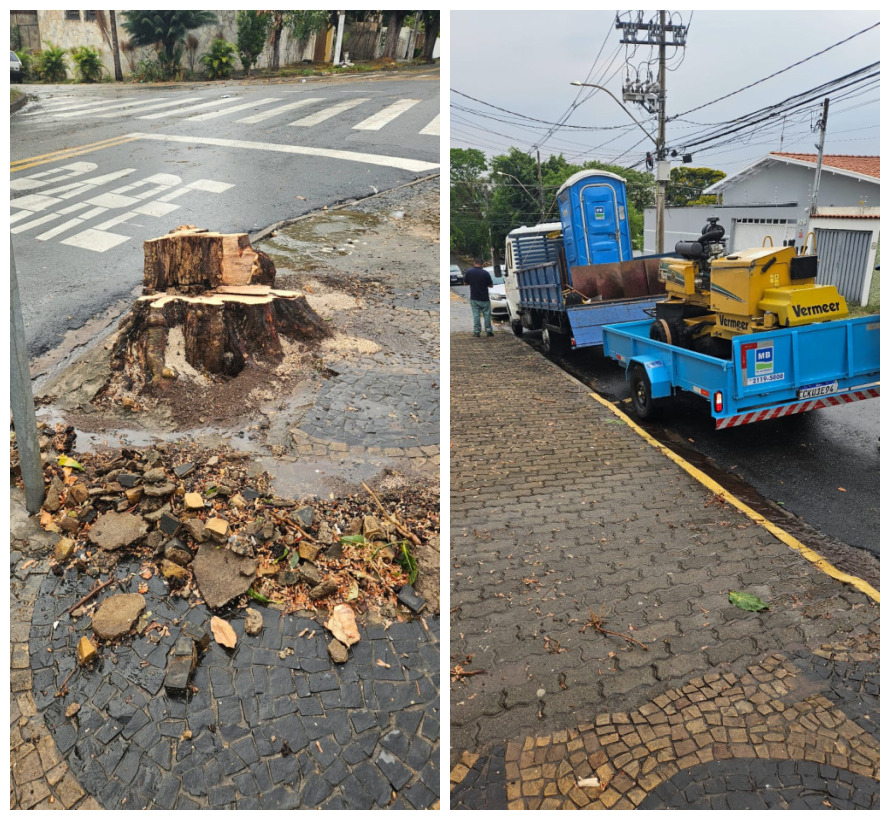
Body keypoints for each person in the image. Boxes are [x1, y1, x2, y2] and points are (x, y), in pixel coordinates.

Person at [462, 258, 494, 337]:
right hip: (485, 298)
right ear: (482, 264)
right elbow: (491, 285)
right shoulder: (485, 273)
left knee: (476, 315)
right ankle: (489, 331)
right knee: (487, 315)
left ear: (474, 263)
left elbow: (465, 283)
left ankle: (476, 332)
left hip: (474, 298)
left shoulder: (469, 272)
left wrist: (472, 282)